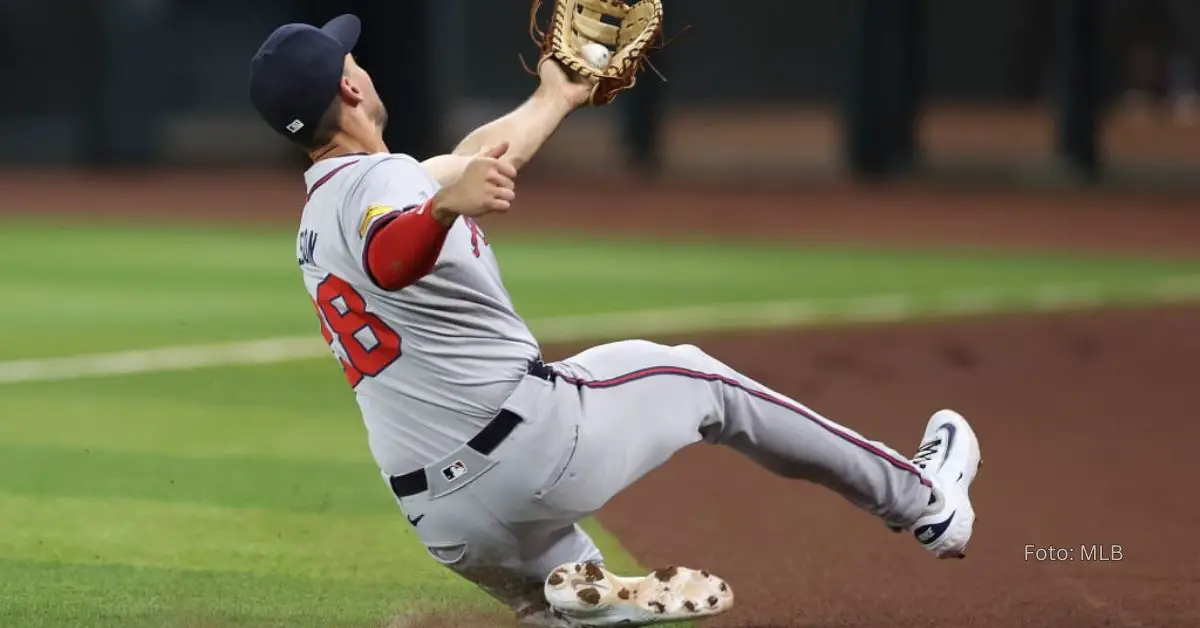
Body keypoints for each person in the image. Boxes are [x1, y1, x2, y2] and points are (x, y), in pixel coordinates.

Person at [248, 14, 983, 627]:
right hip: (530, 448)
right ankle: (926, 502)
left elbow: (469, 159)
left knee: (566, 600)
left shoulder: (322, 212)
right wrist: (444, 208)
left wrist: (557, 94)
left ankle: (579, 591)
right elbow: (391, 253)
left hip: (445, 521)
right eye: (355, 61)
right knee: (701, 379)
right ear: (351, 86)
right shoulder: (389, 193)